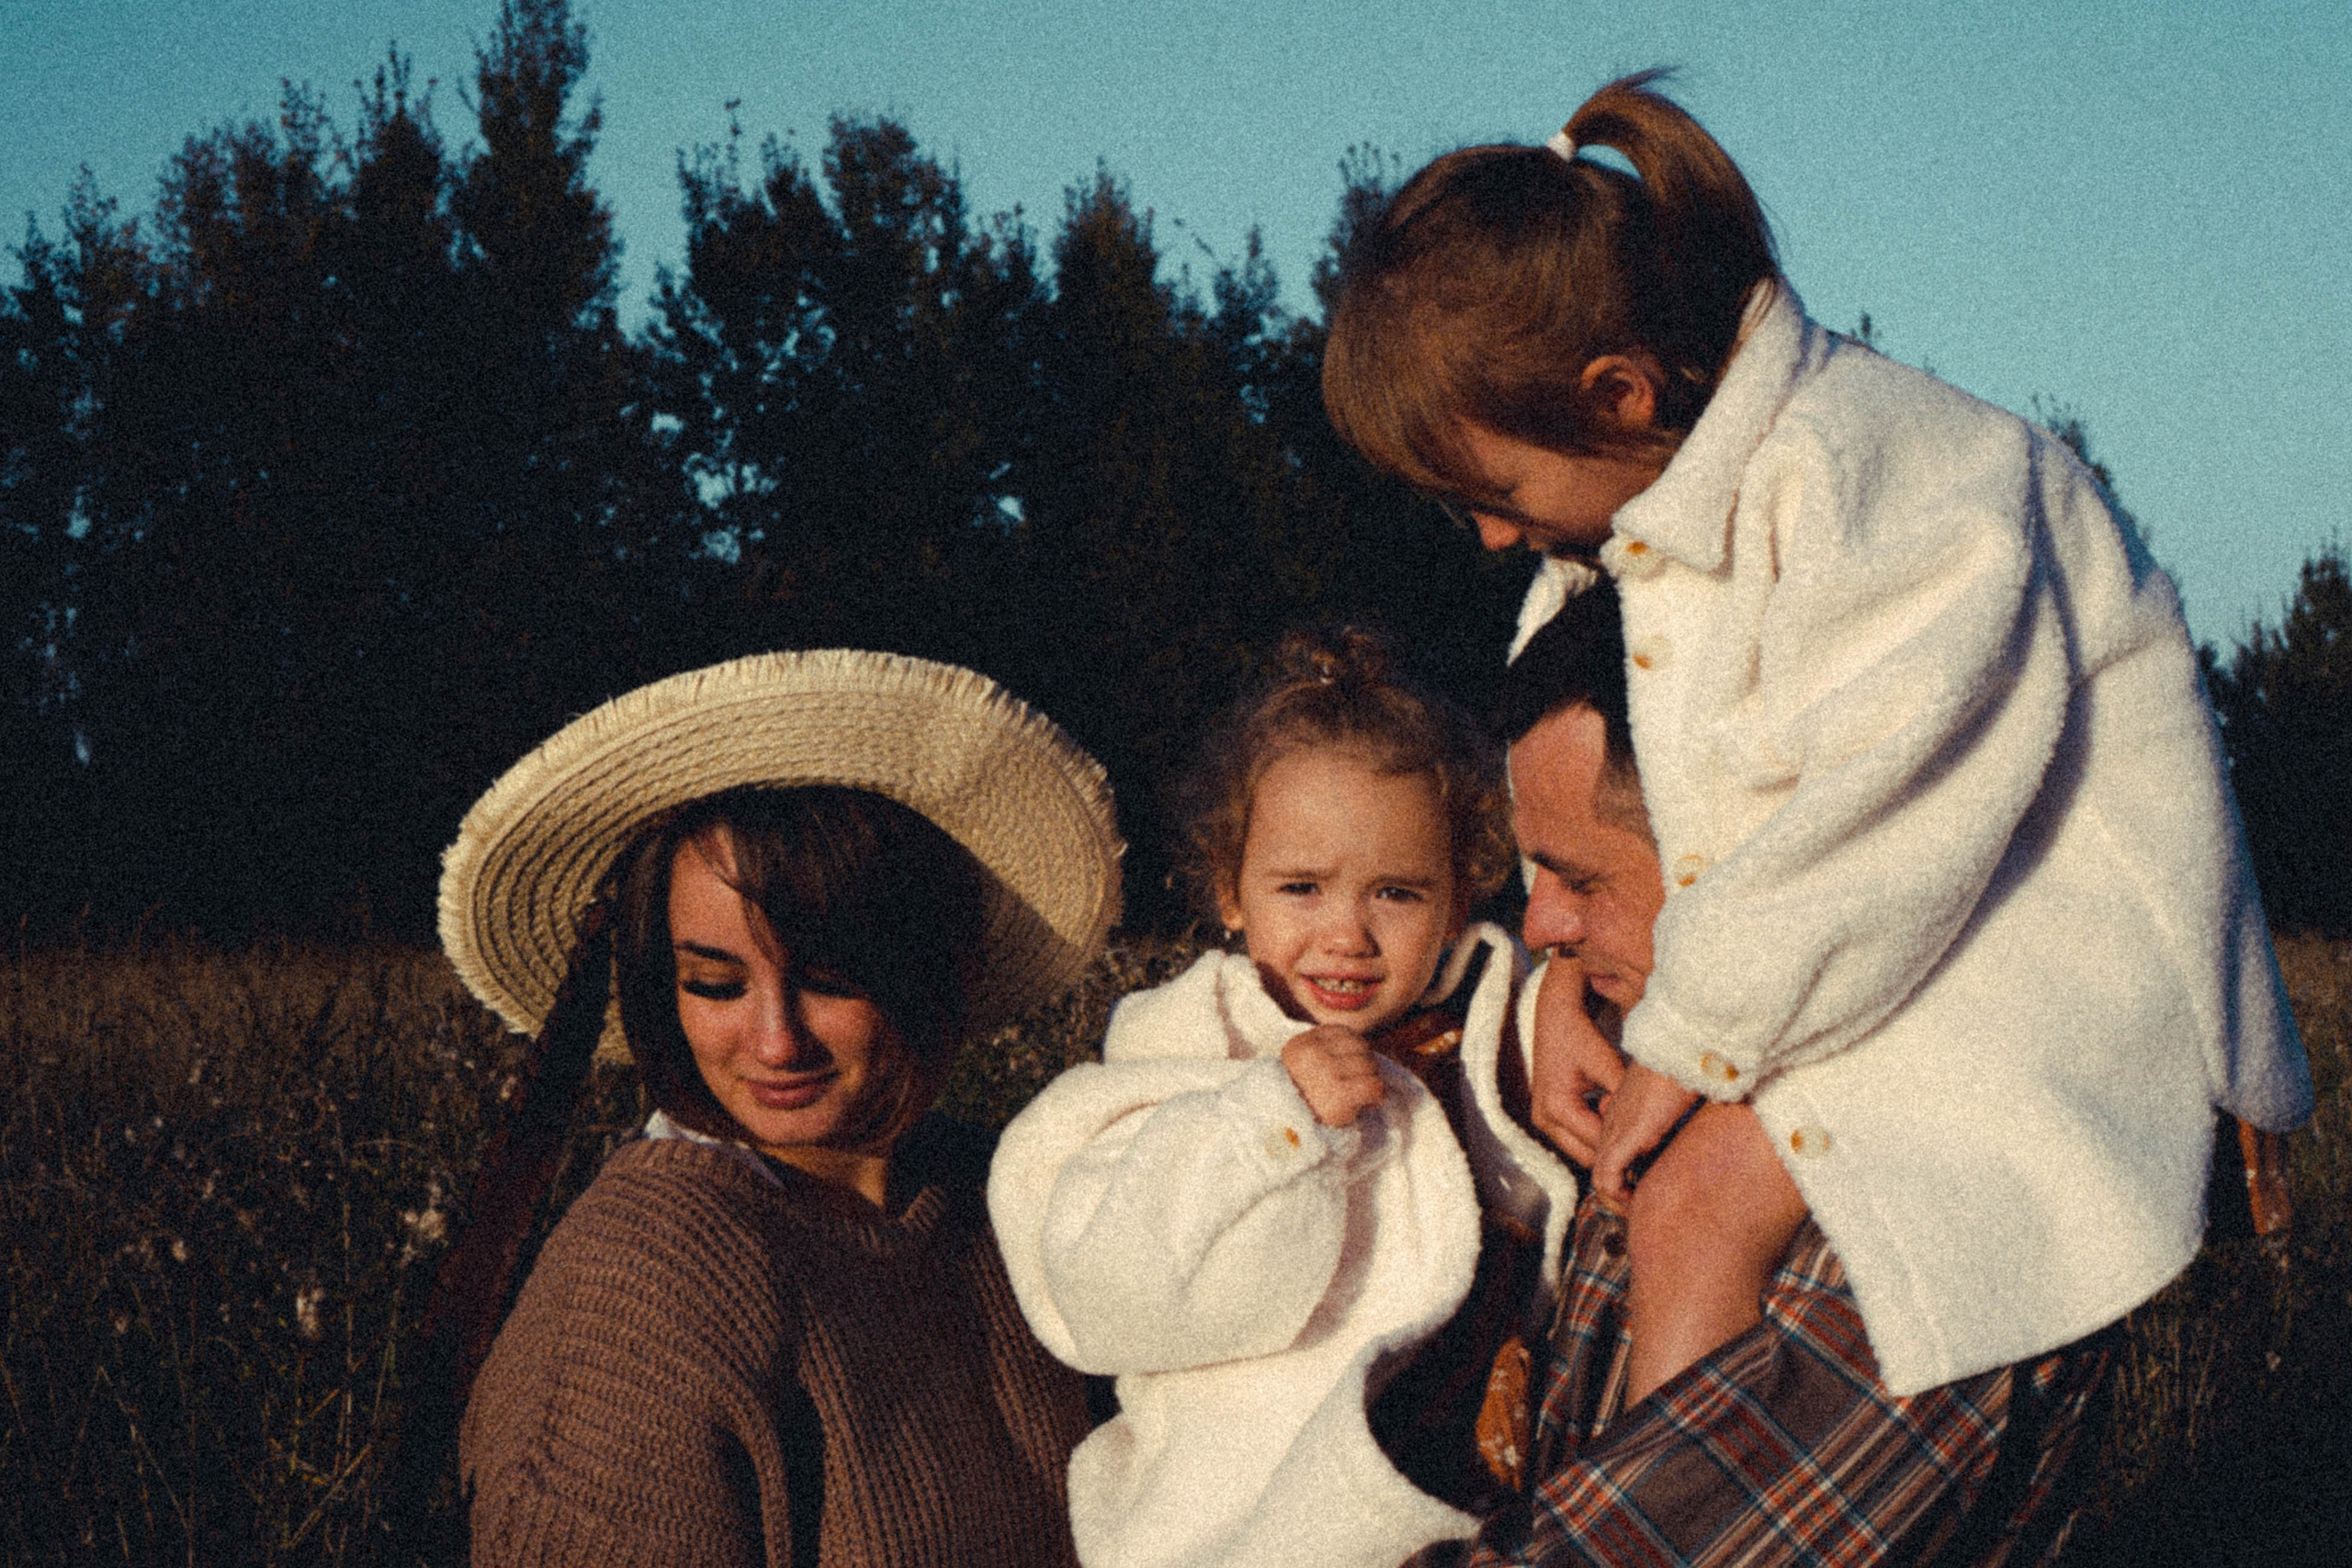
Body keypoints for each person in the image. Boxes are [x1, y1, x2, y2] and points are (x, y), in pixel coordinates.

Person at [1322, 70, 2312, 1409]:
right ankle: (1618, 1482)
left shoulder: (1903, 475)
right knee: (1647, 1202)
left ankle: (1664, 1510)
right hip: (1884, 938)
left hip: (2040, 956)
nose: (1494, 538)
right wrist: (1568, 988)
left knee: (1700, 1206)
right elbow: (1589, 794)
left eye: (1492, 493)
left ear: (1616, 394)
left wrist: (1688, 1031)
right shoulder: (1624, 520)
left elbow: (1887, 809)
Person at [1403, 587, 2119, 1567]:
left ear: (1746, 865)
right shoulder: (1664, 1087)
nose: (1540, 933)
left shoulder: (1917, 1224)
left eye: (1583, 881)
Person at [437, 649, 1125, 1566]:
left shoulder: (1011, 1191)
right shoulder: (638, 1290)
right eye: (714, 983)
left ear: (933, 966)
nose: (774, 1043)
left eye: (830, 978)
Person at [989, 629, 1583, 1568]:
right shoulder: (1190, 1051)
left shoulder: (1492, 1020)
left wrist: (1568, 1003)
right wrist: (1271, 1126)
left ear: (1462, 895)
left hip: (1463, 1499)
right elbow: (1111, 1297)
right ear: (1230, 892)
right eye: (1300, 888)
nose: (1344, 934)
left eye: (1395, 892)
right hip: (1242, 1523)